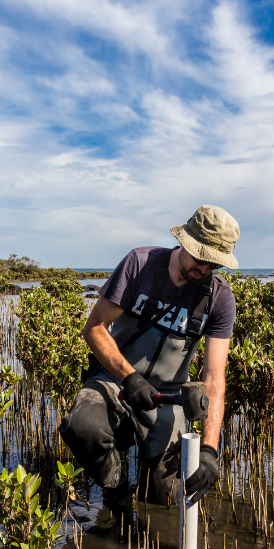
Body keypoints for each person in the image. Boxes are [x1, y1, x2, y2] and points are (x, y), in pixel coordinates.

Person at [60, 204, 240, 505]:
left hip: (168, 397)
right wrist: (129, 377)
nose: (205, 270)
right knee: (82, 428)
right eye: (201, 258)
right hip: (115, 380)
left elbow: (214, 378)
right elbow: (95, 328)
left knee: (164, 500)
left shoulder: (220, 298)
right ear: (185, 242)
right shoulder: (139, 264)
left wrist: (210, 450)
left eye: (214, 264)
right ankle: (116, 490)